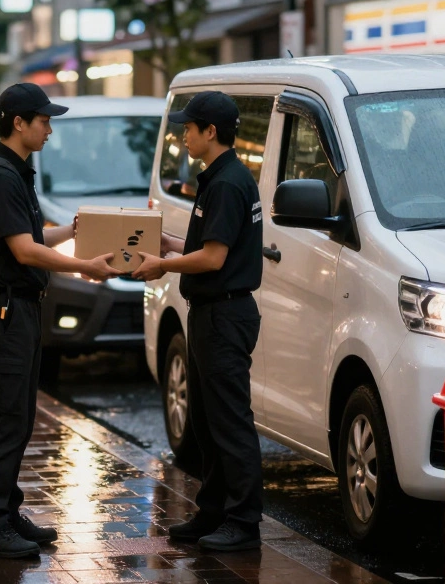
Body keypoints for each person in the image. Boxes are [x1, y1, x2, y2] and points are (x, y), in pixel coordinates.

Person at [0, 83, 120, 559]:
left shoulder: (15, 172)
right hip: (4, 311)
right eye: (44, 120)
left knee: (20, 417)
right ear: (19, 123)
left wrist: (73, 232)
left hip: (20, 310)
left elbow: (32, 236)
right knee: (3, 419)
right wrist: (85, 265)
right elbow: (23, 250)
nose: (50, 128)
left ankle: (6, 513)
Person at [132, 91, 265, 552]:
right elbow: (200, 243)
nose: (183, 134)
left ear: (212, 132)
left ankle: (243, 523)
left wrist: (161, 266)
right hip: (212, 313)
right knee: (206, 422)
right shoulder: (218, 178)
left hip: (224, 314)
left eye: (190, 127)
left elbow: (212, 258)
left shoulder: (228, 183)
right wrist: (162, 241)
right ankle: (212, 513)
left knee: (230, 422)